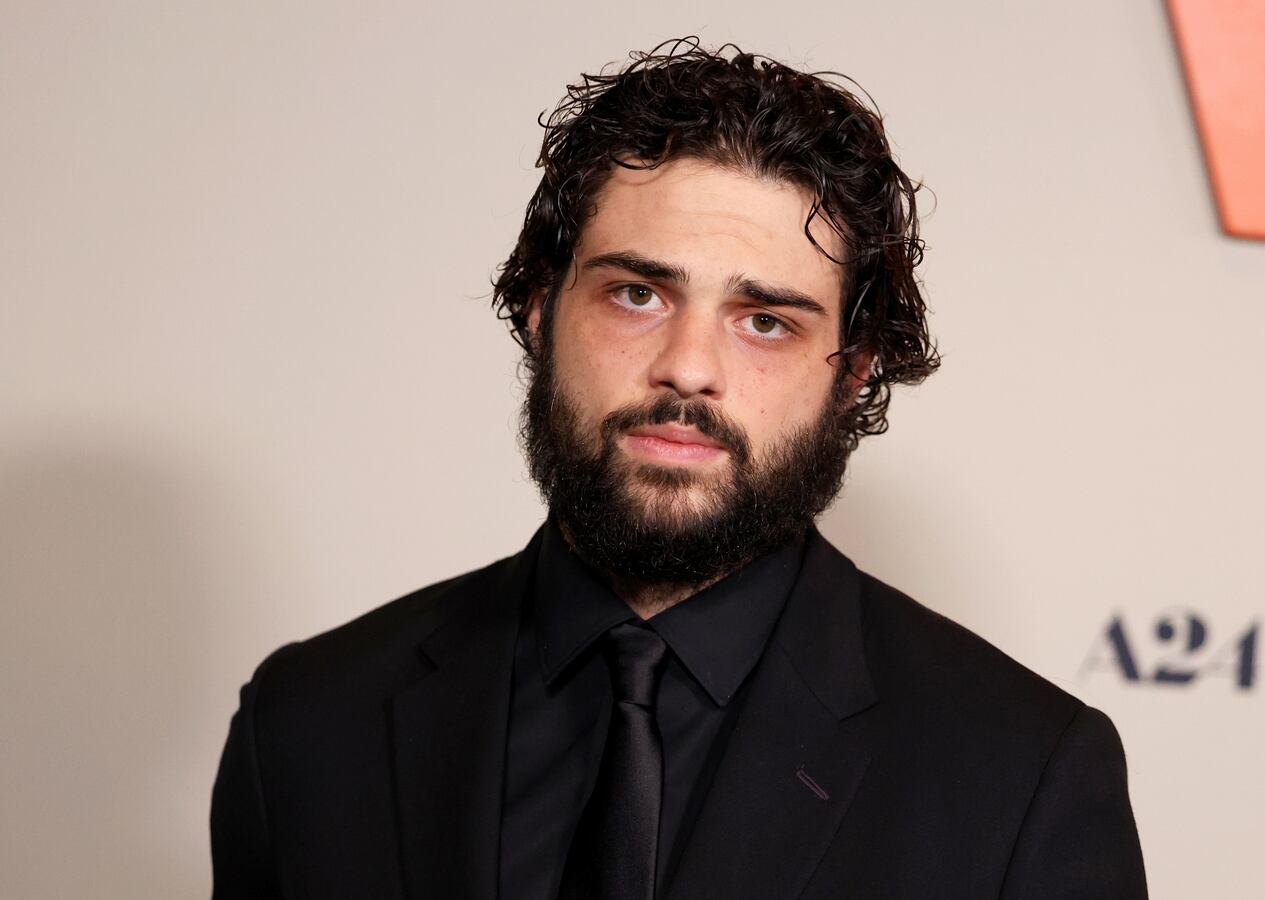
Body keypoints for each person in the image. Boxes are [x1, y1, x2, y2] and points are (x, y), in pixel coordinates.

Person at [210, 39, 1147, 900]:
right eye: (636, 293)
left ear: (852, 374)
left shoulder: (1022, 775)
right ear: (540, 312)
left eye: (766, 320)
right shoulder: (308, 721)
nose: (688, 367)